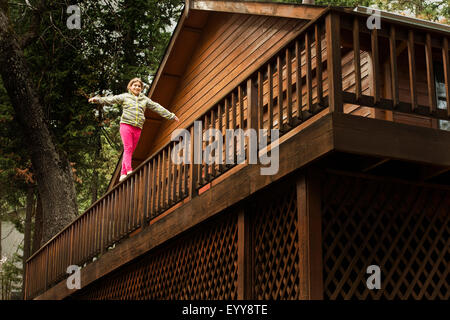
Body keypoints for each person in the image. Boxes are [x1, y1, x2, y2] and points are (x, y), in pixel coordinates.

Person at [89, 78, 179, 182]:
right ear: (130, 87)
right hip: (126, 125)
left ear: (141, 89)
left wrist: (171, 116)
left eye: (139, 86)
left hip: (138, 128)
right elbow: (111, 100)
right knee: (128, 147)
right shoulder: (125, 97)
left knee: (130, 151)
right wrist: (97, 100)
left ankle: (123, 173)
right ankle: (129, 170)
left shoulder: (144, 99)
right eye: (134, 85)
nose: (137, 87)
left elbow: (156, 107)